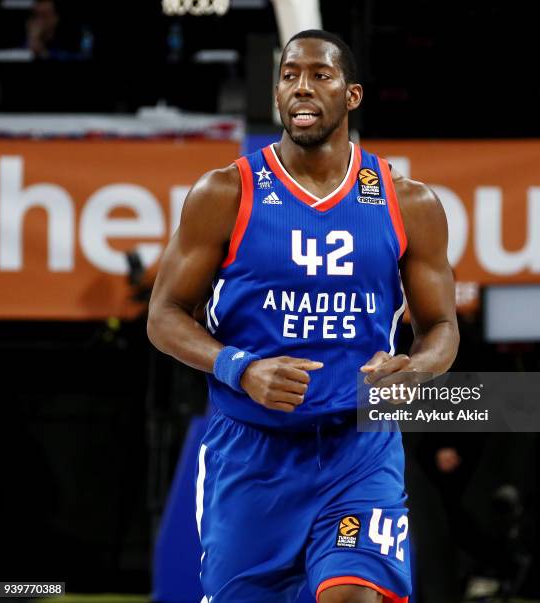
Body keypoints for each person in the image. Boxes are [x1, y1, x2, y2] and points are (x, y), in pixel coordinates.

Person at [147, 29, 458, 603]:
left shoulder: (407, 200)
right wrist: (240, 368)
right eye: (289, 76)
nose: (302, 88)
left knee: (354, 596)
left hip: (356, 452)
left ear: (353, 95)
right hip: (251, 455)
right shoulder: (225, 192)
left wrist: (415, 370)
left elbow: (441, 327)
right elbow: (163, 316)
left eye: (320, 75)